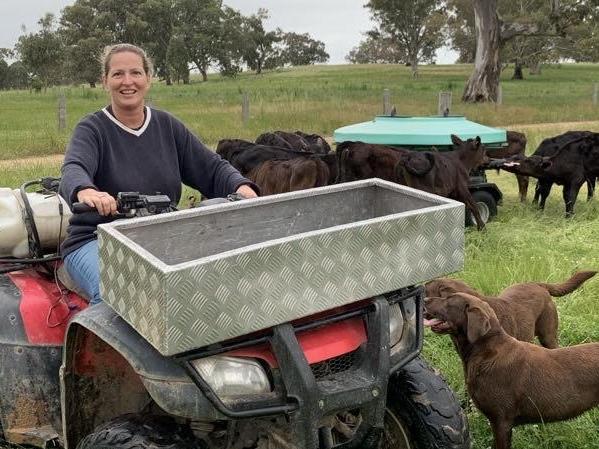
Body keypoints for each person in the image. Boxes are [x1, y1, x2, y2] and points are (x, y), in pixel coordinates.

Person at [59, 43, 258, 305]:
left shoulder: (167, 125)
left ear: (148, 79)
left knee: (214, 282)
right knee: (115, 295)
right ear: (105, 81)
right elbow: (74, 168)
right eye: (118, 74)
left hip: (160, 234)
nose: (127, 82)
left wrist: (242, 187)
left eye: (136, 73)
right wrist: (86, 191)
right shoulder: (93, 129)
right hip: (97, 239)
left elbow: (211, 167)